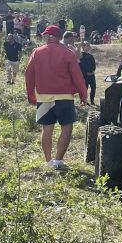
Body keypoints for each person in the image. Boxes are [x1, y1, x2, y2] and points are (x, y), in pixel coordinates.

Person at [25, 24, 88, 170]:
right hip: (64, 96)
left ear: (48, 36)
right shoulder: (67, 53)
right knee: (66, 128)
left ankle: (48, 162)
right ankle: (58, 161)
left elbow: (28, 75)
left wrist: (31, 95)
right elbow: (77, 76)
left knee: (47, 129)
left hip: (43, 96)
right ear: (59, 37)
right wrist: (83, 94)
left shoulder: (37, 52)